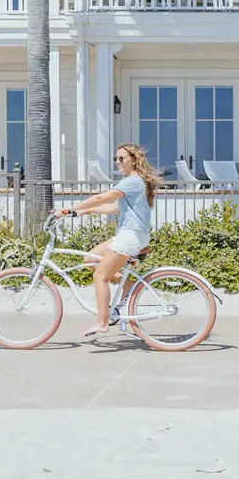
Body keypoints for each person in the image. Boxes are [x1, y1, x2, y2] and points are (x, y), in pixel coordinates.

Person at [60, 142, 158, 337]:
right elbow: (114, 207)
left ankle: (102, 322)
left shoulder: (132, 181)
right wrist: (84, 211)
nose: (118, 162)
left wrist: (72, 207)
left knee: (100, 276)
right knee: (90, 259)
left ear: (134, 160)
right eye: (116, 158)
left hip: (130, 235)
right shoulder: (133, 182)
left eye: (122, 158)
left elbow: (101, 198)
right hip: (130, 234)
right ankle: (128, 285)